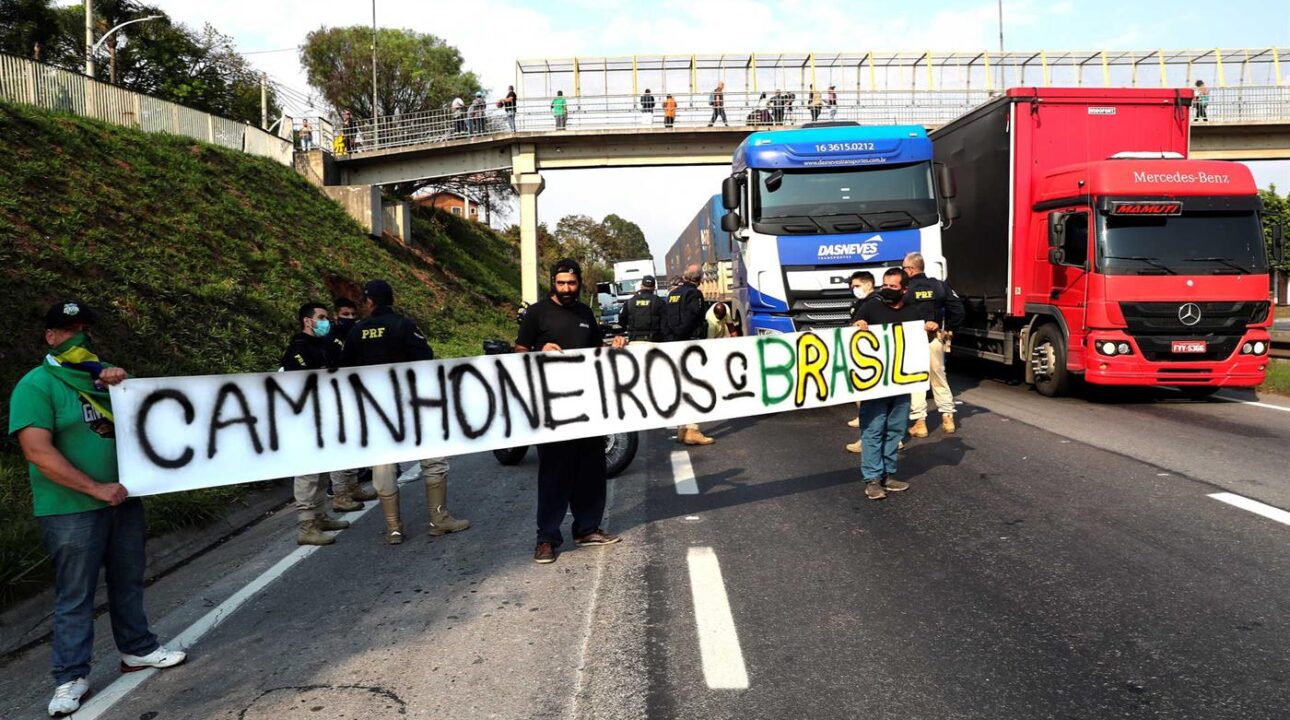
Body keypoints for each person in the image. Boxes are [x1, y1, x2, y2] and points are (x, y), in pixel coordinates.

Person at [9, 301, 186, 716]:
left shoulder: (107, 378)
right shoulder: (35, 385)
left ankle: (137, 649)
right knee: (76, 595)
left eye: (85, 328)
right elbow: (36, 451)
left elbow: (146, 424)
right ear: (50, 337)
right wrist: (94, 488)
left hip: (123, 499)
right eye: (69, 330)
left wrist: (123, 388)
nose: (79, 337)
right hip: (70, 508)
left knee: (129, 579)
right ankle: (70, 677)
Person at [340, 280, 470, 544]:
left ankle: (394, 528)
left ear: (369, 302)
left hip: (376, 409)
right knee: (433, 459)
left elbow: (344, 369)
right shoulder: (404, 325)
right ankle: (438, 519)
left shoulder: (357, 331)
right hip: (414, 404)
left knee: (383, 464)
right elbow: (425, 357)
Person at [515, 259, 627, 564]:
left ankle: (587, 528)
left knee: (591, 469)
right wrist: (540, 351)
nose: (566, 289)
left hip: (587, 405)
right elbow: (519, 353)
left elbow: (594, 352)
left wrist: (613, 346)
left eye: (572, 283)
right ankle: (546, 538)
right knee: (554, 472)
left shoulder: (584, 313)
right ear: (553, 282)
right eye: (561, 283)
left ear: (579, 283)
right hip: (552, 408)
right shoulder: (536, 313)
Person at [852, 270, 936, 500]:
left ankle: (887, 475)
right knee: (873, 428)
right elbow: (851, 336)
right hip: (874, 383)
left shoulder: (914, 312)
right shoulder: (870, 308)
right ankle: (871, 479)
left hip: (901, 383)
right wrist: (858, 325)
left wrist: (929, 331)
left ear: (905, 290)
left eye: (893, 286)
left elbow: (920, 343)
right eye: (884, 285)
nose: (887, 289)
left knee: (896, 429)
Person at [280, 303, 352, 545]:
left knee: (322, 469)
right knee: (308, 472)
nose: (326, 321)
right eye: (321, 318)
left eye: (327, 317)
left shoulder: (325, 345)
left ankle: (320, 516)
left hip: (324, 415)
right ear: (307, 321)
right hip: (304, 418)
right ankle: (306, 526)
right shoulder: (298, 349)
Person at [903, 252, 965, 438]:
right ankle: (948, 419)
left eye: (904, 268)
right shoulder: (939, 285)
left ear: (911, 269)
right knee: (939, 377)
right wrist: (951, 328)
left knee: (916, 380)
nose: (903, 271)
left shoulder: (905, 289)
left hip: (913, 339)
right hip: (935, 338)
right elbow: (958, 309)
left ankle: (920, 423)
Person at [664, 265, 714, 445]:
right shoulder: (694, 295)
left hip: (674, 345)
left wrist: (672, 339)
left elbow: (666, 320)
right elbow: (692, 319)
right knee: (694, 387)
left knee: (681, 386)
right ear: (699, 279)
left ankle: (682, 430)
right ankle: (692, 430)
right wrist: (684, 337)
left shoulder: (672, 294)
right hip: (690, 344)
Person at [844, 271, 875, 452]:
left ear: (868, 283)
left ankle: (867, 441)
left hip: (869, 357)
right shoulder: (862, 303)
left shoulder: (874, 303)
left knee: (870, 403)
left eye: (856, 285)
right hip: (862, 356)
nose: (853, 289)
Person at [618, 274, 665, 342]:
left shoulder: (630, 302)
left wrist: (629, 329)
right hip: (655, 340)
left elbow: (621, 320)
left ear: (641, 286)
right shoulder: (659, 302)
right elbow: (666, 322)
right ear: (654, 287)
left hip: (635, 339)